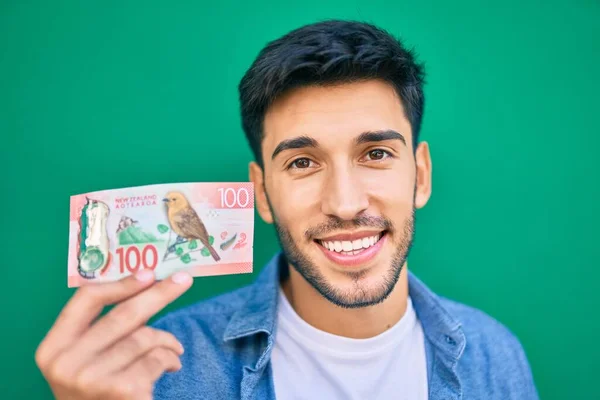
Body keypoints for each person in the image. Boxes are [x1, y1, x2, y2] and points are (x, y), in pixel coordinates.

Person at [35, 20, 539, 400]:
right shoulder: (161, 369)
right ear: (261, 193)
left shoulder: (496, 357)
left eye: (377, 154)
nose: (345, 204)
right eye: (302, 162)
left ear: (421, 175)